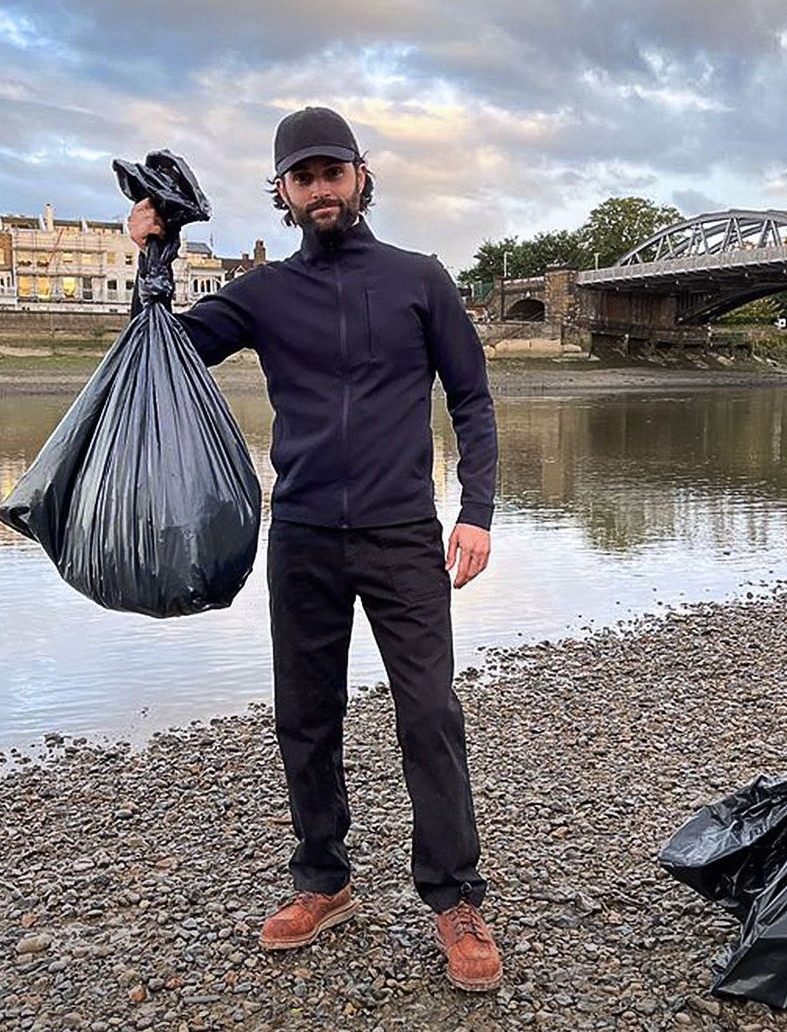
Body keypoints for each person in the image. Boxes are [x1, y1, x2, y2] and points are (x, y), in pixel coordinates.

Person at [128, 106, 502, 992]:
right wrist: (152, 254)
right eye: (304, 177)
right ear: (285, 193)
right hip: (299, 533)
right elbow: (159, 355)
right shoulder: (262, 295)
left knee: (430, 716)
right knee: (305, 713)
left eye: (334, 172)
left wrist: (476, 509)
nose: (321, 189)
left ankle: (452, 896)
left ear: (361, 177)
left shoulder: (421, 280)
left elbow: (474, 400)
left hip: (403, 533)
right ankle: (323, 880)